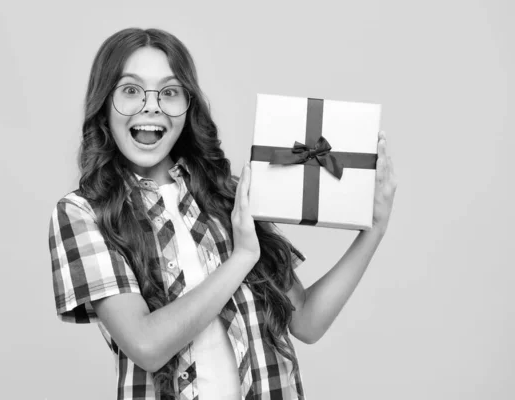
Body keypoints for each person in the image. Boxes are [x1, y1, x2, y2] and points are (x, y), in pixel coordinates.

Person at [48, 27, 397, 400]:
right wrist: (242, 257)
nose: (152, 106)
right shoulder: (83, 213)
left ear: (187, 106)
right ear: (104, 104)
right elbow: (146, 345)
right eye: (131, 90)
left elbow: (306, 321)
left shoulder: (230, 196)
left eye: (169, 92)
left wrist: (373, 230)